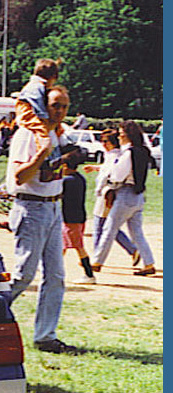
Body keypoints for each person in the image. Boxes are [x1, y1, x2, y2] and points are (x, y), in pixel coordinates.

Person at [6, 85, 75, 354]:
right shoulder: (28, 134)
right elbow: (19, 176)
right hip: (31, 208)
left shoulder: (56, 133)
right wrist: (41, 154)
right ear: (42, 105)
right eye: (55, 105)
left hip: (53, 207)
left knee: (56, 276)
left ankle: (46, 336)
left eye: (64, 106)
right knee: (23, 275)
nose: (59, 111)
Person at [92, 120, 157, 276]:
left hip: (125, 193)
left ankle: (97, 261)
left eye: (122, 134)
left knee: (109, 228)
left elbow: (117, 176)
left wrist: (109, 181)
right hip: (138, 196)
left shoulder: (128, 153)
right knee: (136, 232)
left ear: (128, 136)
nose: (119, 138)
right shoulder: (143, 151)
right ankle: (149, 263)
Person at [91, 129, 137, 264]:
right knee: (108, 226)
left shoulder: (113, 155)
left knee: (100, 226)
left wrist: (99, 190)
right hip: (110, 192)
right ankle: (132, 250)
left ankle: (96, 258)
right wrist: (96, 168)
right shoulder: (115, 155)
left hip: (106, 193)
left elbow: (108, 174)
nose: (103, 144)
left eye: (106, 141)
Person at [59, 149, 96, 284]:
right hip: (78, 216)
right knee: (62, 245)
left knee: (78, 247)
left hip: (71, 218)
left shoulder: (67, 181)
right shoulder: (79, 178)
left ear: (65, 166)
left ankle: (89, 274)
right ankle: (51, 267)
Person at [15, 58, 62, 152]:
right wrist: (46, 120)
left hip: (34, 118)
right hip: (32, 117)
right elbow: (38, 108)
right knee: (44, 138)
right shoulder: (36, 86)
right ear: (53, 76)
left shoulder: (37, 86)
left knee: (51, 137)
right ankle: (46, 156)